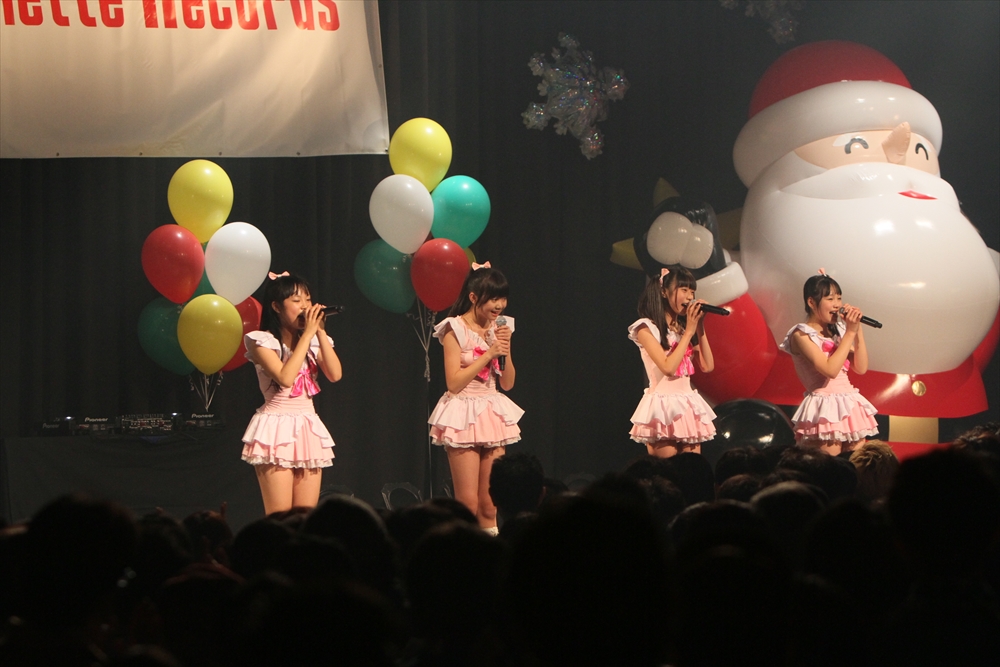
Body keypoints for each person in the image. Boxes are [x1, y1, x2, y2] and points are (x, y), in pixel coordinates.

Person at [427, 262, 523, 534]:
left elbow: (507, 383)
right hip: (462, 414)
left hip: (492, 411)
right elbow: (454, 383)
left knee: (491, 504)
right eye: (493, 299)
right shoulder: (453, 328)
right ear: (473, 297)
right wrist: (488, 354)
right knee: (468, 503)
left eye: (502, 298)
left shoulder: (501, 328)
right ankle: (465, 549)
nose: (499, 305)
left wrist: (504, 349)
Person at [241, 271, 342, 515]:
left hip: (307, 426)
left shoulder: (314, 341)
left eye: (308, 300)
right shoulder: (262, 342)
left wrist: (319, 332)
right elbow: (285, 378)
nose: (305, 306)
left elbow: (335, 374)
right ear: (276, 306)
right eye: (297, 301)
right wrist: (307, 335)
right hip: (275, 428)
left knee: (305, 517)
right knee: (280, 517)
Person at [780, 271, 878, 455]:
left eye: (839, 298)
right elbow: (830, 370)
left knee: (855, 464)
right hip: (824, 407)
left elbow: (861, 367)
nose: (837, 304)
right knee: (829, 466)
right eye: (830, 298)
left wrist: (857, 331)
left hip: (849, 404)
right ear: (811, 302)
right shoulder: (801, 335)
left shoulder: (838, 331)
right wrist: (850, 332)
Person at [628, 266, 716, 458]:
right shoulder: (645, 328)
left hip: (687, 404)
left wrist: (699, 326)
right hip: (662, 406)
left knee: (692, 468)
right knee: (668, 470)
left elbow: (707, 366)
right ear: (663, 292)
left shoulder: (684, 330)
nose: (689, 297)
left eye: (692, 291)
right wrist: (690, 331)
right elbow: (668, 367)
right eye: (684, 290)